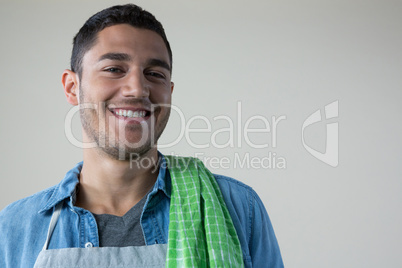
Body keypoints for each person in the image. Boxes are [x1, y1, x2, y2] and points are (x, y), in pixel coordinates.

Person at [0, 4, 283, 268]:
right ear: (73, 87)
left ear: (169, 92)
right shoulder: (15, 227)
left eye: (154, 73)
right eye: (114, 69)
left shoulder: (237, 208)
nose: (137, 88)